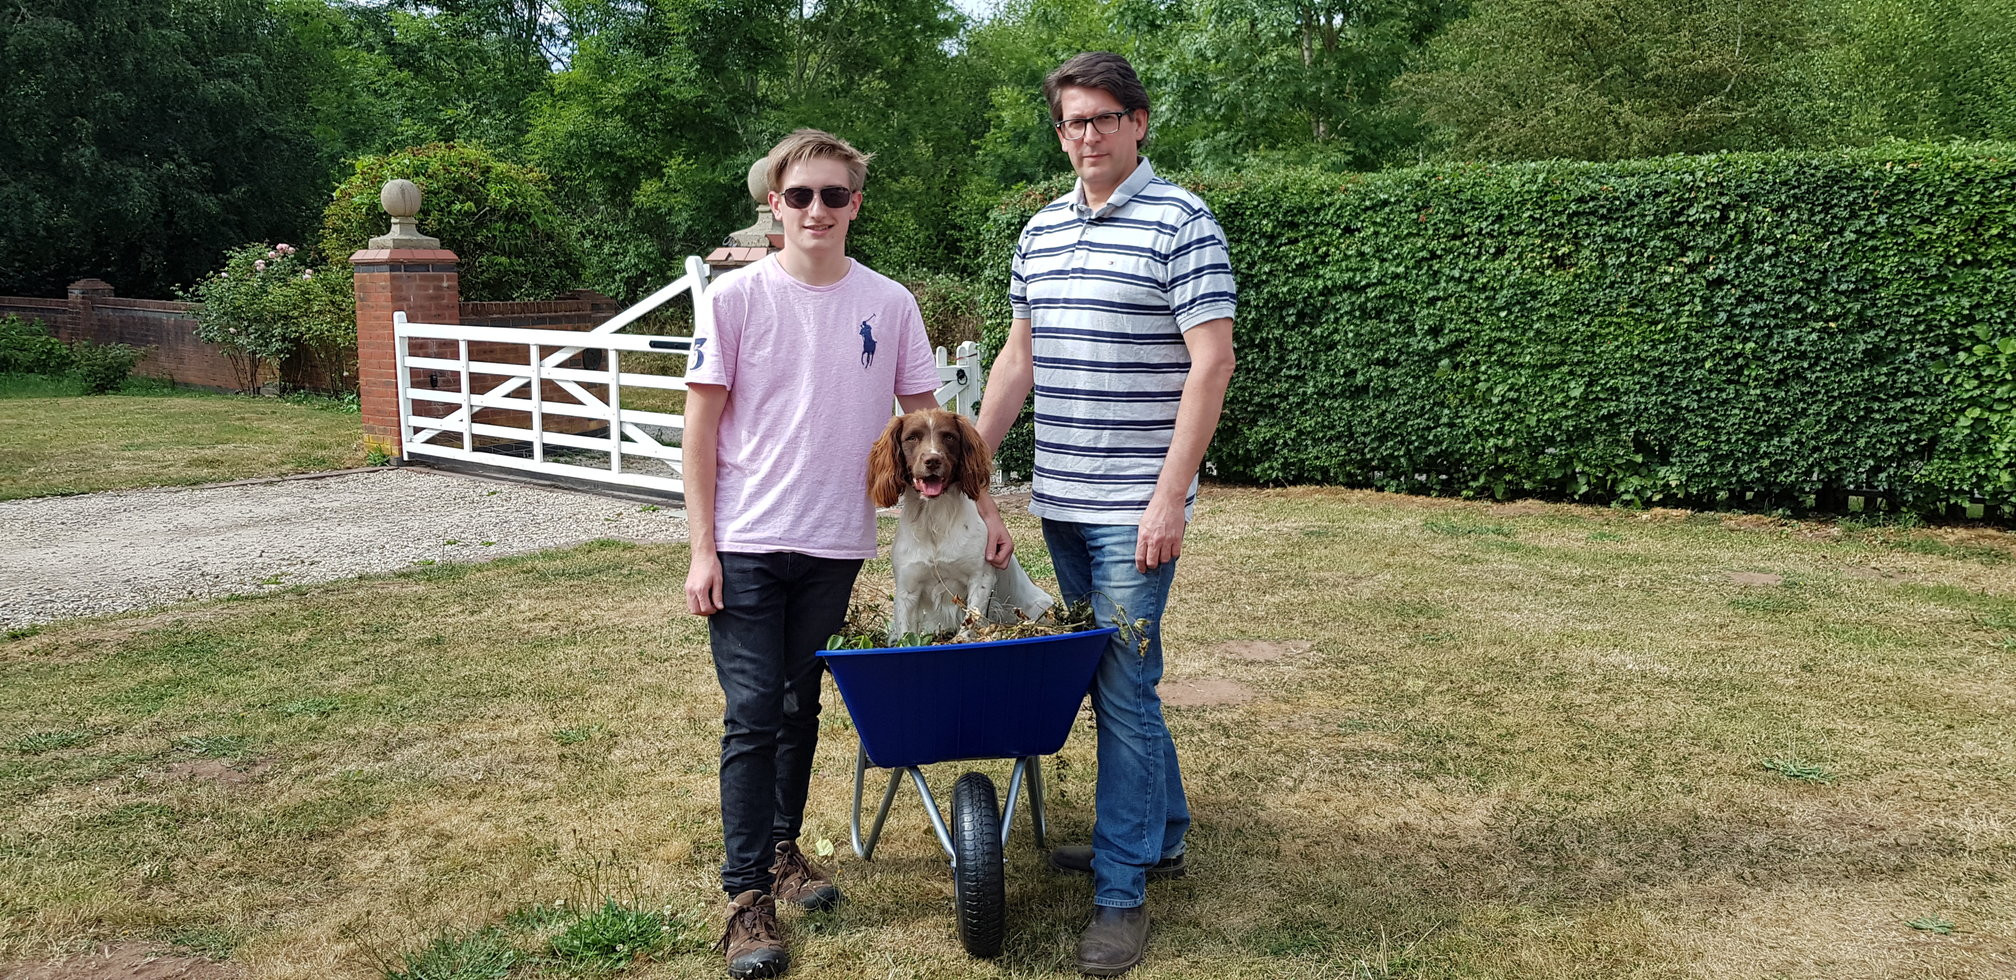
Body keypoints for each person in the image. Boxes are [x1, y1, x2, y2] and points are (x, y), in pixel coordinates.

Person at [682, 128, 1011, 979]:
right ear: (774, 204)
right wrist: (700, 550)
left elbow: (935, 423)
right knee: (753, 711)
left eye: (834, 196)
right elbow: (701, 431)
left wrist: (989, 509)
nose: (817, 210)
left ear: (855, 204)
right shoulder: (735, 301)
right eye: (801, 196)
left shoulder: (890, 301)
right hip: (748, 539)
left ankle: (786, 854)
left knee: (800, 708)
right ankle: (745, 897)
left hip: (835, 543)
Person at [974, 51, 1237, 977]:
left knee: (1123, 687)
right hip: (1062, 500)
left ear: (1138, 121)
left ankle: (1122, 892)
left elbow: (1211, 364)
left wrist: (1169, 498)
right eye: (1071, 123)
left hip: (1135, 508)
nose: (1084, 136)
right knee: (1109, 681)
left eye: (1100, 119)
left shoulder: (1183, 222)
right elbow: (1017, 360)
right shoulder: (1041, 230)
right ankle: (1159, 832)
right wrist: (976, 470)